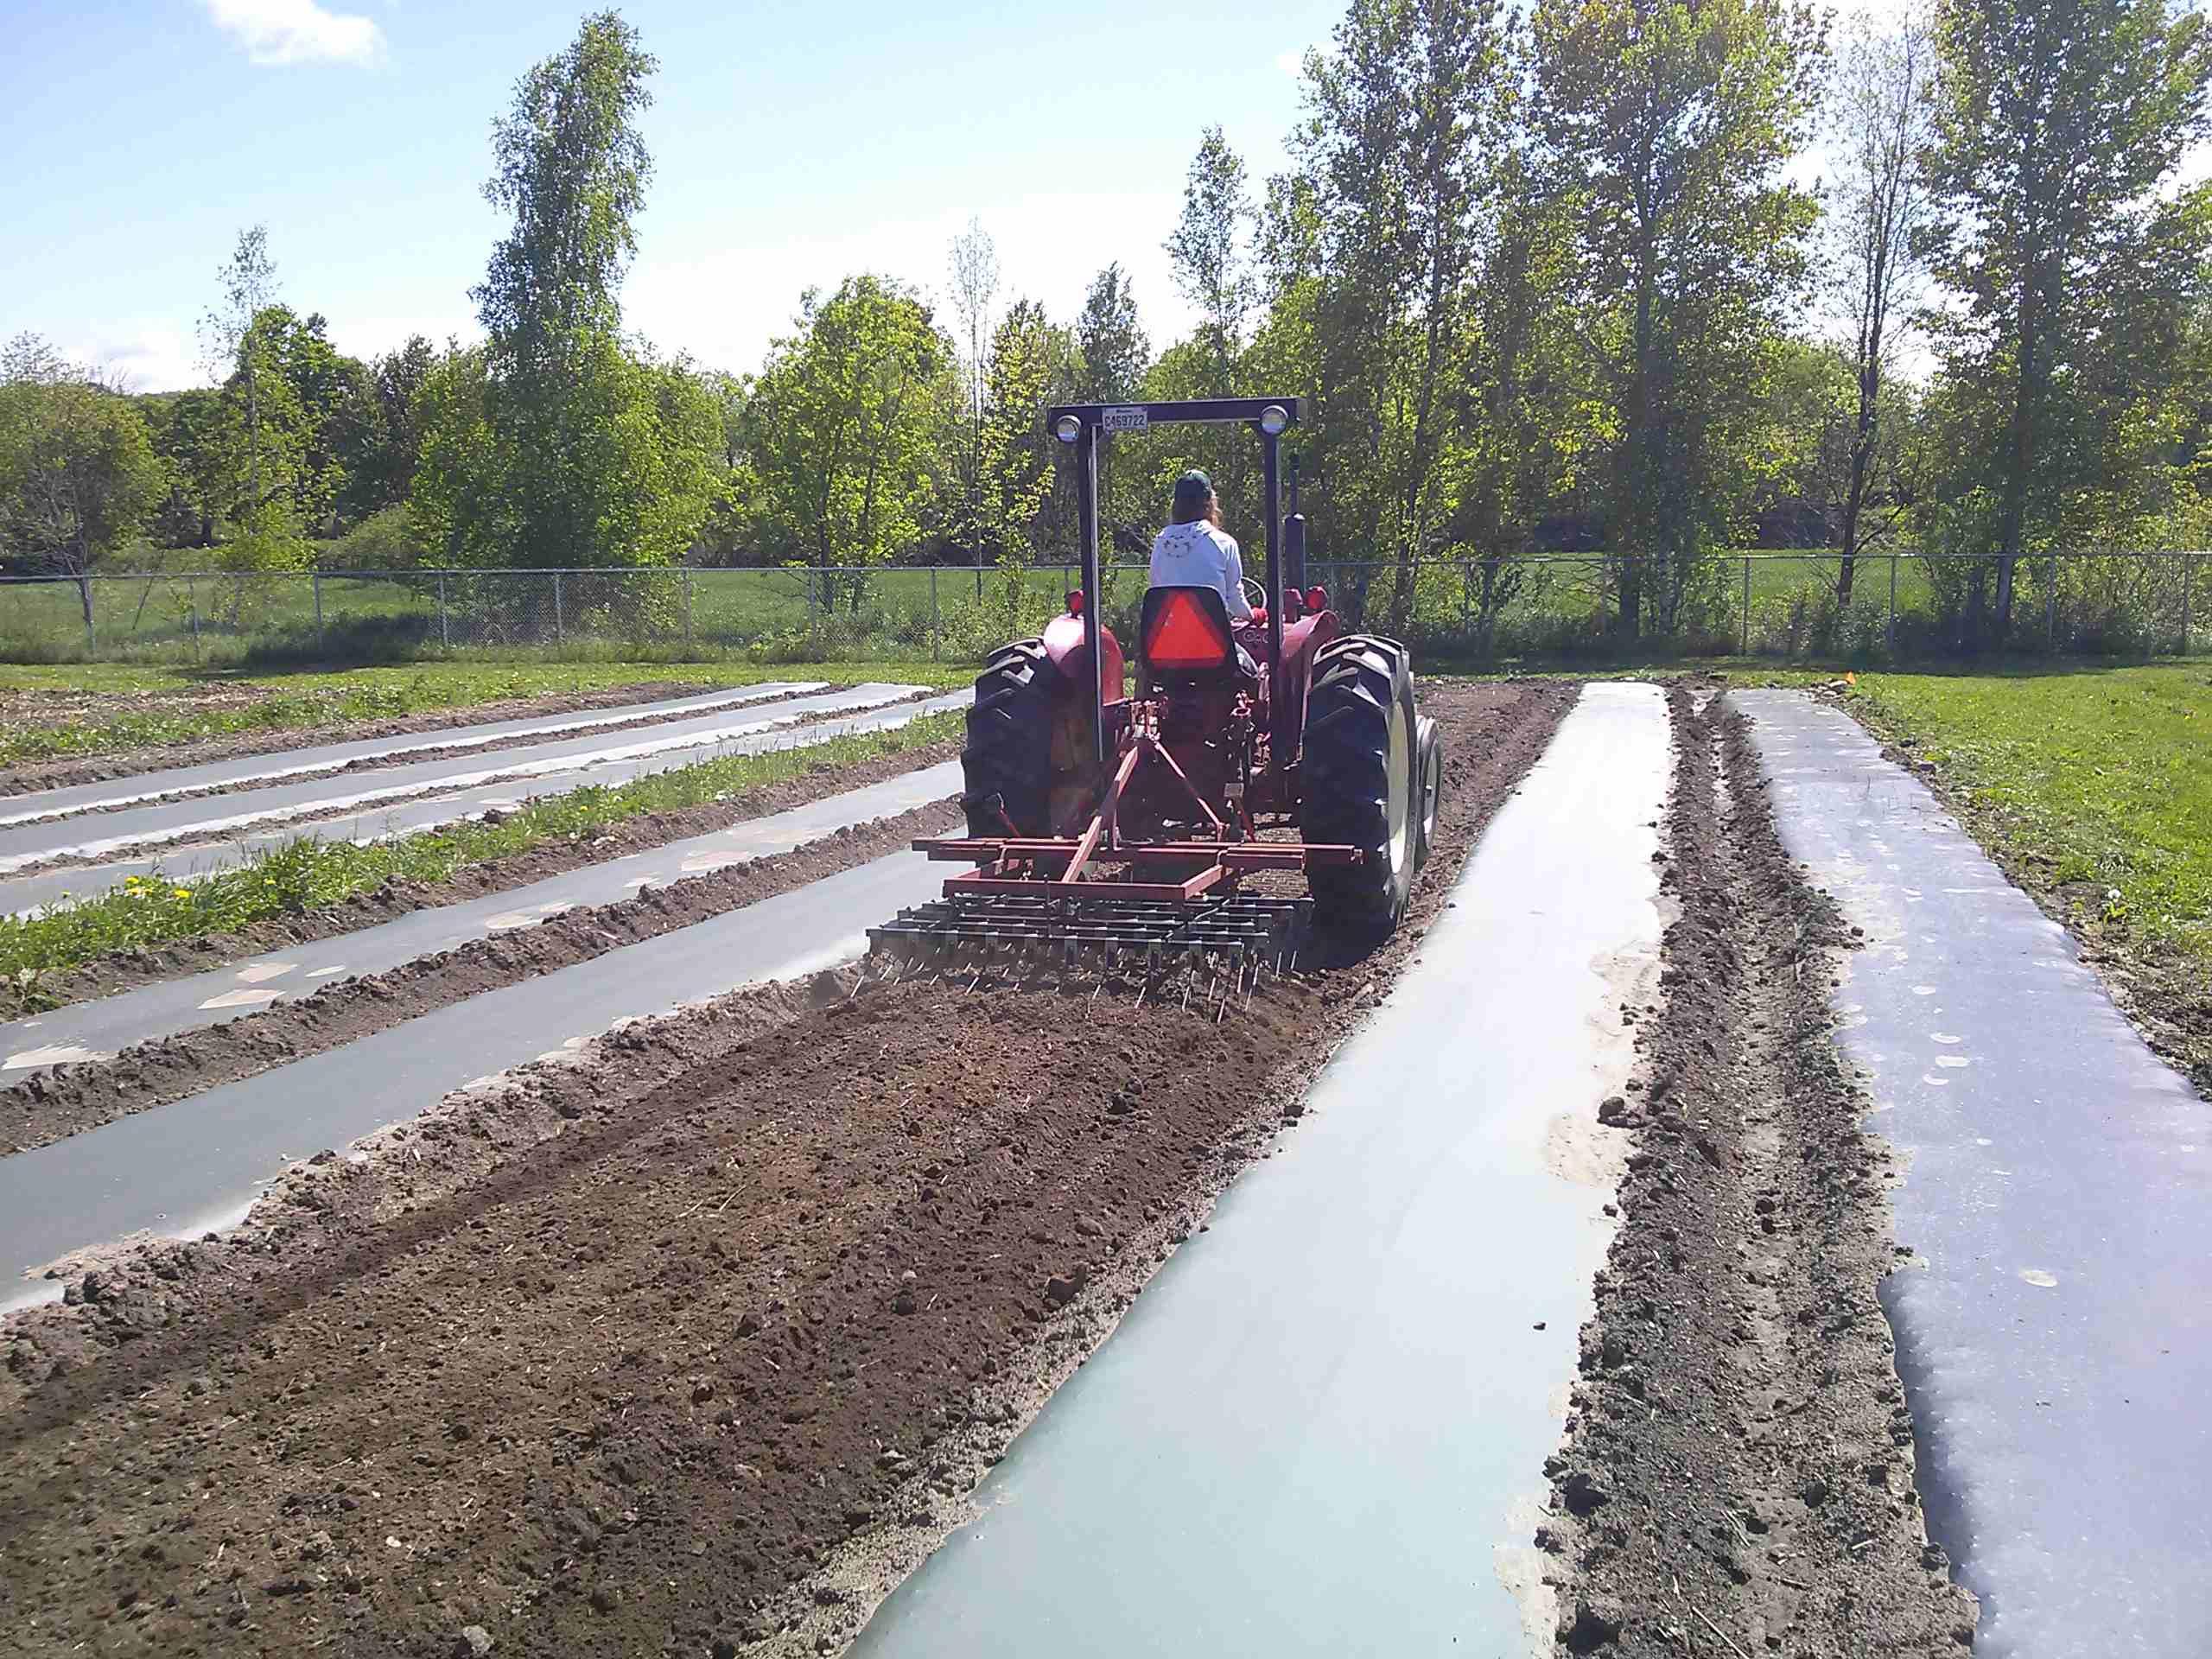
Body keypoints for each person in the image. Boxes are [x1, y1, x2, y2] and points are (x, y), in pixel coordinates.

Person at [1149, 470, 1253, 623]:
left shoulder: (1160, 543)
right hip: (1212, 642)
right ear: (1210, 503)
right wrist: (1253, 615)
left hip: (1170, 639)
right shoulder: (1224, 543)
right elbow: (1235, 601)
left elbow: (1157, 591)